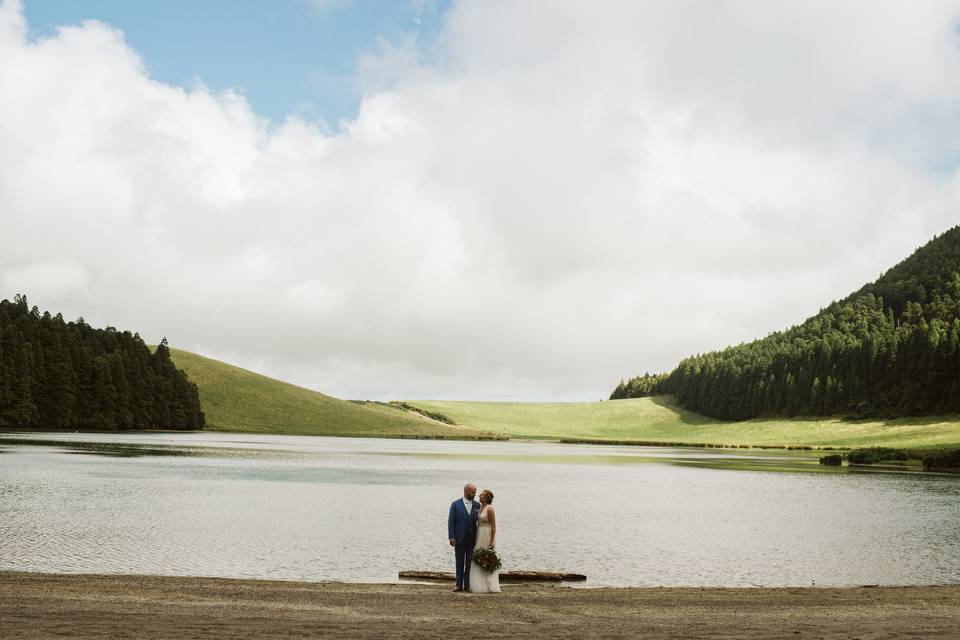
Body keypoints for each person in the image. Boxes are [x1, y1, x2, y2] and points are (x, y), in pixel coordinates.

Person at [447, 483, 480, 592]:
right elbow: (451, 521)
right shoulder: (455, 504)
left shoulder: (477, 505)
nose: (475, 494)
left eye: (475, 492)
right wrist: (451, 537)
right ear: (466, 491)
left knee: (470, 563)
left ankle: (467, 584)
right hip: (459, 538)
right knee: (459, 562)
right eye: (473, 492)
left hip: (472, 539)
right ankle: (458, 584)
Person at [469, 489, 500, 593]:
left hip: (487, 535)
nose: (479, 496)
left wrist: (491, 541)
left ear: (486, 498)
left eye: (481, 495)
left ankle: (489, 584)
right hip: (479, 533)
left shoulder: (490, 509)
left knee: (486, 557)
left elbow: (494, 526)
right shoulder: (480, 507)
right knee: (478, 556)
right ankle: (479, 584)